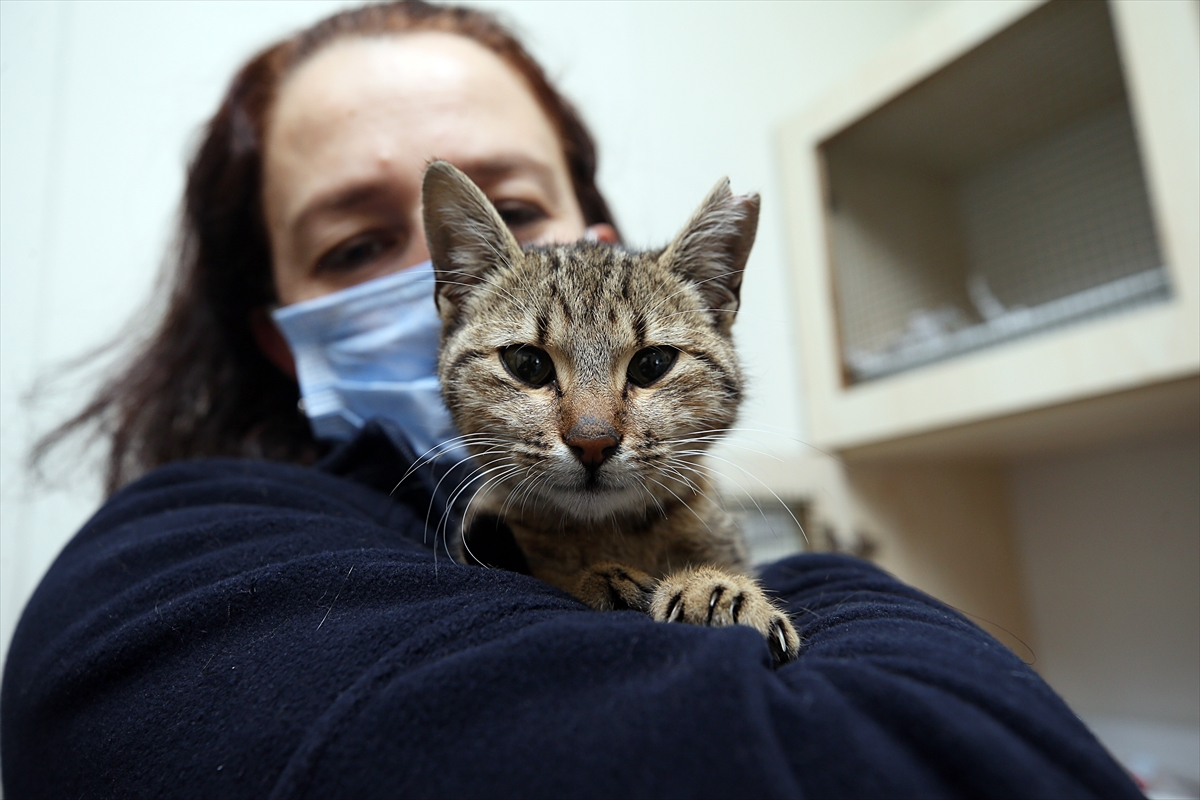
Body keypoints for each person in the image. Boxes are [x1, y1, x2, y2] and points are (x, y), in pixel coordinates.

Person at [1, 3, 1143, 798]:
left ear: (599, 235)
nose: (592, 426)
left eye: (516, 200)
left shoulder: (711, 511)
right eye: (354, 246)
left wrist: (748, 575)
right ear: (281, 335)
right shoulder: (180, 551)